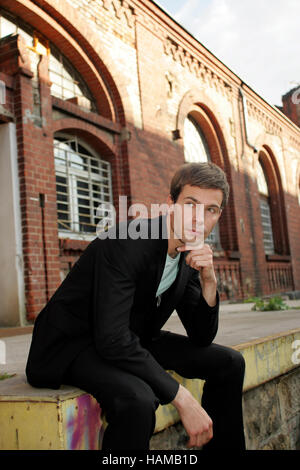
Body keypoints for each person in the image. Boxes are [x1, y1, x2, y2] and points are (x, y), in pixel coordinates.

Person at [26, 162, 246, 451]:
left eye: (211, 210)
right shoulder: (128, 241)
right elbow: (111, 339)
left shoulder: (191, 252)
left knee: (229, 363)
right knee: (139, 400)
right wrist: (182, 397)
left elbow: (202, 337)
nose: (199, 219)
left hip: (129, 336)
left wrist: (209, 281)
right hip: (73, 343)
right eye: (190, 204)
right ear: (170, 204)